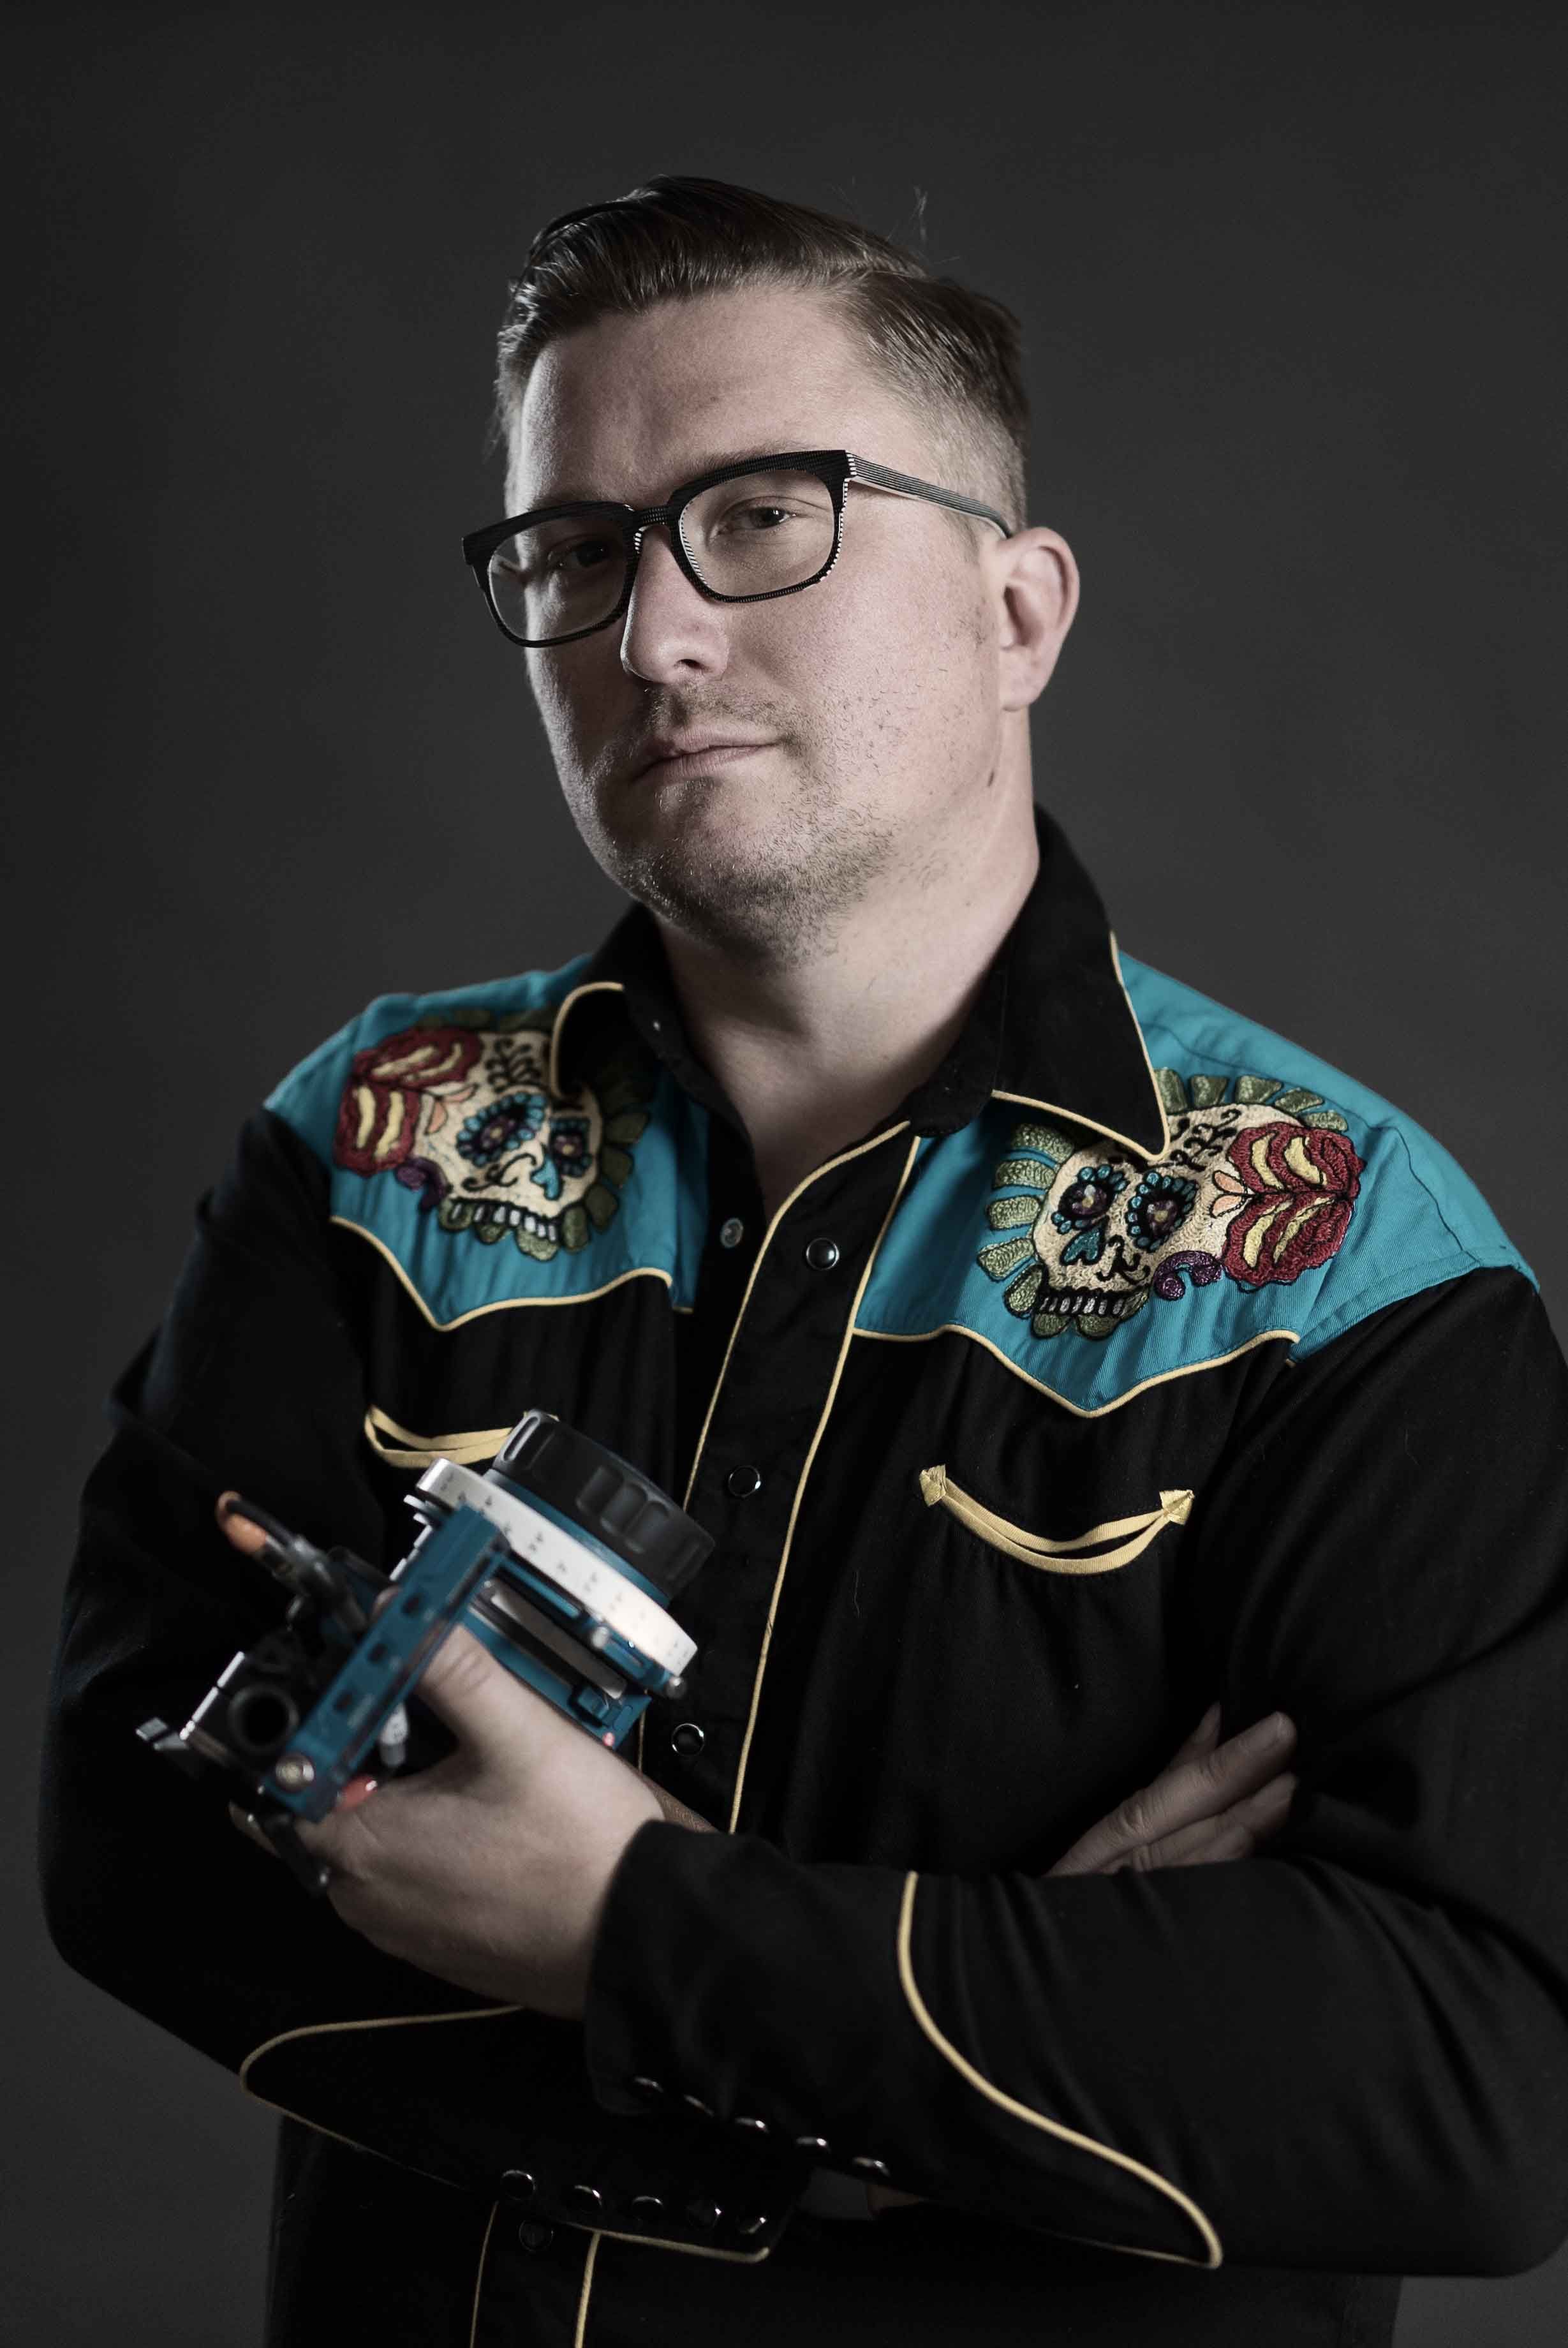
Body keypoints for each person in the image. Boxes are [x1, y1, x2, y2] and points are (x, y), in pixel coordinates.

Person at [39, 175, 1568, 2348]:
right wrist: (873, 2090)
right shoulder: (365, 1145)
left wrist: (632, 1931)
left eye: (761, 516)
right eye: (574, 552)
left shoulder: (1343, 1259)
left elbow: (1470, 2089)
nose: (650, 637)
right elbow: (137, 1858)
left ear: (1017, 613)